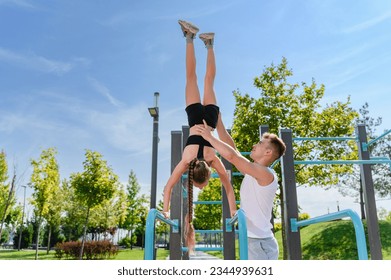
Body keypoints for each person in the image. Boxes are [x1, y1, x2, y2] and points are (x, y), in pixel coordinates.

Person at [162, 20, 237, 254]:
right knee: (192, 77)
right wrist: (164, 209)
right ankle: (189, 37)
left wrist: (235, 211)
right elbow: (168, 187)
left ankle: (210, 44)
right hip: (195, 117)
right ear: (193, 175)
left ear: (208, 172)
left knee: (208, 81)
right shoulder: (187, 161)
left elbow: (229, 188)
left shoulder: (214, 160)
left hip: (210, 120)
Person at [196, 121, 286, 260]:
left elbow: (233, 156)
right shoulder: (252, 172)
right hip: (253, 240)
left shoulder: (266, 174)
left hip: (259, 243)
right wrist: (218, 121)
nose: (254, 145)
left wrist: (210, 138)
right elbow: (232, 149)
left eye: (260, 143)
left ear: (268, 152)